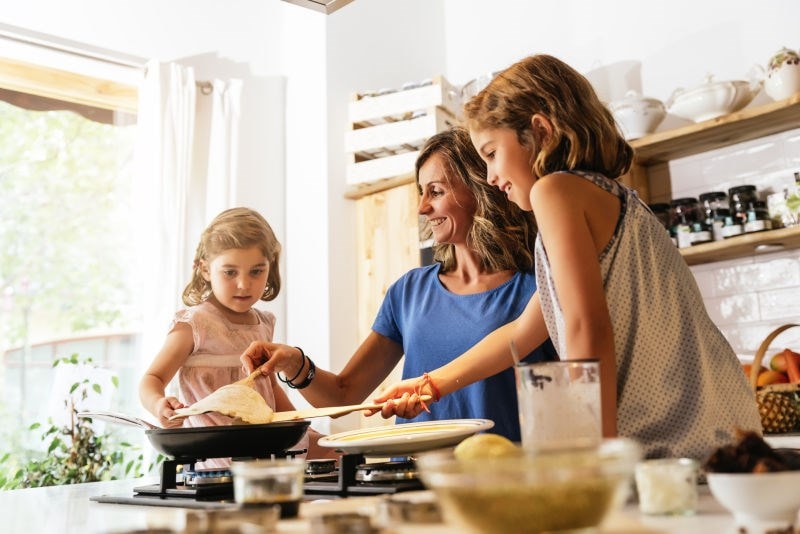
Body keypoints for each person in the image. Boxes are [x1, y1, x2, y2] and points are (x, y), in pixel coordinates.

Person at [373, 55, 762, 460]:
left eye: (491, 153)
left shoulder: (555, 192)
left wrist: (594, 455)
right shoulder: (610, 198)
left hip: (673, 440)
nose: (490, 176)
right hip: (718, 431)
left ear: (539, 131)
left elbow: (584, 327)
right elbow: (522, 332)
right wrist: (428, 385)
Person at [241, 127, 557, 443]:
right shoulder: (409, 292)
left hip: (502, 477)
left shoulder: (538, 287)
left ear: (479, 187)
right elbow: (343, 395)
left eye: (435, 191)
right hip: (408, 477)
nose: (421, 208)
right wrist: (294, 363)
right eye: (421, 193)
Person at [139, 207, 336, 467]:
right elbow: (151, 379)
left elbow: (269, 387)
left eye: (256, 271)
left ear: (270, 268)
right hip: (216, 455)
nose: (244, 284)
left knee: (338, 454)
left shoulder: (263, 324)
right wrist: (159, 405)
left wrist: (299, 428)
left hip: (265, 450)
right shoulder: (193, 324)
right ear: (205, 270)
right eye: (230, 272)